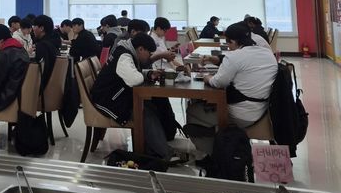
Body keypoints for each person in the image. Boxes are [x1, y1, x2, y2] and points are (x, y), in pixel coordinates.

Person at [185, 22, 277, 157]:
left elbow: (218, 82)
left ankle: (214, 155)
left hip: (240, 115)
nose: (228, 47)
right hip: (263, 112)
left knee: (193, 110)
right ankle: (217, 140)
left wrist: (207, 77)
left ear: (233, 41)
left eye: (228, 43)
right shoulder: (267, 53)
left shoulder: (235, 56)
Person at [90, 33, 175, 159]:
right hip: (107, 101)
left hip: (114, 95)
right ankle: (163, 153)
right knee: (144, 112)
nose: (149, 57)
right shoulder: (124, 56)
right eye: (149, 53)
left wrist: (148, 74)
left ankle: (155, 147)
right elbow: (134, 80)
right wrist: (145, 75)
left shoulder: (126, 50)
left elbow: (133, 74)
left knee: (152, 105)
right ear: (140, 49)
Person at [32, 15, 60, 92]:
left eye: (34, 26)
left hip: (44, 88)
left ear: (41, 28)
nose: (33, 28)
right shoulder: (53, 42)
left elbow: (41, 71)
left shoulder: (42, 45)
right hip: (54, 85)